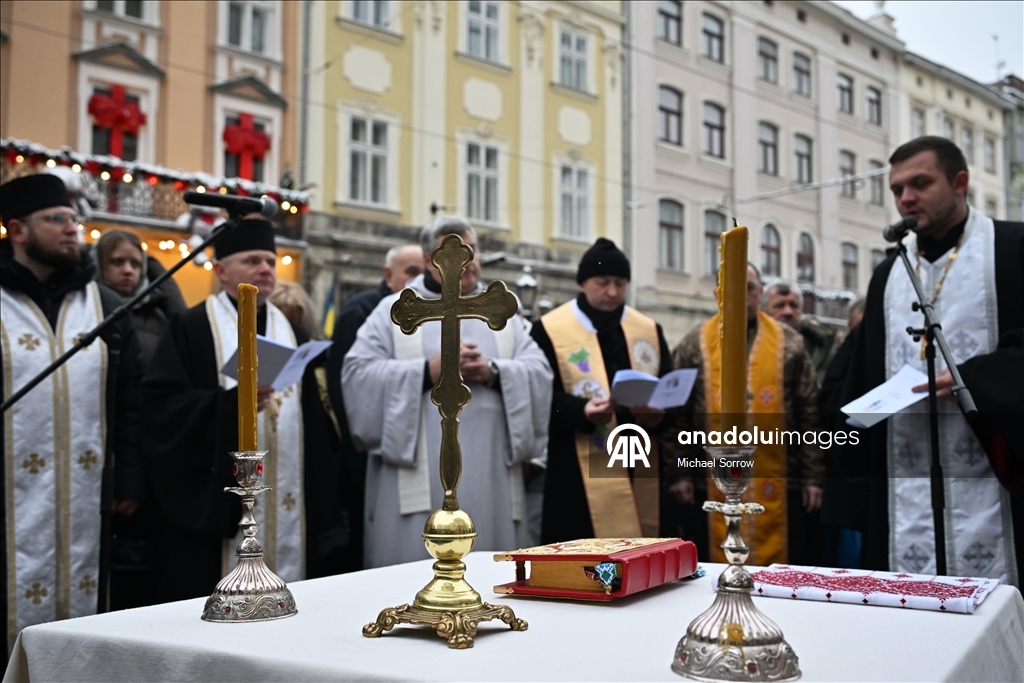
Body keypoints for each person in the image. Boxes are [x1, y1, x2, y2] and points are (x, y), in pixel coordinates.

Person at [828, 136, 1024, 584]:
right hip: (906, 491)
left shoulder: (1012, 249)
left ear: (960, 182)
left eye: (919, 183)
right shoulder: (888, 275)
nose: (905, 198)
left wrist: (973, 380)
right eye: (897, 189)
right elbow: (857, 375)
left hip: (995, 486)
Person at [141, 219, 346, 601]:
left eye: (271, 260)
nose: (266, 269)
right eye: (253, 260)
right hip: (216, 506)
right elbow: (163, 410)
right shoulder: (191, 327)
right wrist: (229, 406)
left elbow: (312, 424)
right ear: (220, 270)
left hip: (288, 498)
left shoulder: (294, 331)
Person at [342, 216, 552, 568]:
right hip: (416, 480)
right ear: (427, 260)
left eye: (470, 252)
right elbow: (357, 376)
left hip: (490, 475)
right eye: (452, 254)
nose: (466, 263)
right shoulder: (396, 311)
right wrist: (427, 371)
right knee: (411, 567)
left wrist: (494, 371)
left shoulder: (500, 308)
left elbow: (540, 373)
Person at [0, 174, 144, 648]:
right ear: (18, 231)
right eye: (57, 219)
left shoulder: (103, 306)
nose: (71, 228)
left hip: (87, 497)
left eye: (74, 219)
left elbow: (130, 400)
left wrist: (128, 479)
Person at [666, 263, 823, 566]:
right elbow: (677, 417)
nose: (741, 295)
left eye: (749, 287)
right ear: (717, 294)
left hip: (781, 480)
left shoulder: (790, 344)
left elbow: (809, 414)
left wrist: (813, 478)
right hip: (706, 479)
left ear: (760, 292)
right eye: (730, 288)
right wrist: (679, 473)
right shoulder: (693, 344)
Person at [529, 237, 672, 543]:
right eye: (603, 282)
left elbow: (669, 391)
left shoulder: (647, 330)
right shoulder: (549, 330)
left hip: (639, 457)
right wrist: (580, 411)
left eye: (620, 284)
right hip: (577, 469)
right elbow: (539, 397)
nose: (612, 292)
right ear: (583, 283)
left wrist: (660, 415)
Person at [325, 244, 422, 572]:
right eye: (411, 271)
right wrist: (356, 460)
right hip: (369, 453)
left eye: (425, 271)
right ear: (388, 275)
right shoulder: (365, 311)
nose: (419, 279)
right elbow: (347, 388)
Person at [94, 230, 188, 365]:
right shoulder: (87, 309)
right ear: (98, 263)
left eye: (136, 264)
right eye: (117, 262)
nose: (128, 270)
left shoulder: (158, 316)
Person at [763, 281, 837, 386]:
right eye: (779, 305)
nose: (788, 312)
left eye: (793, 305)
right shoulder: (751, 345)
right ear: (763, 311)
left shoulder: (823, 347)